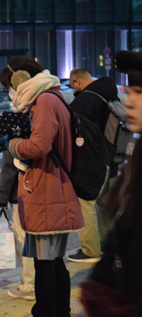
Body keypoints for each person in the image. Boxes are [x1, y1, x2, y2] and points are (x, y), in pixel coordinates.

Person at [0, 56, 84, 316]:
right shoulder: (52, 97)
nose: (11, 90)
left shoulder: (45, 100)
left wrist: (12, 145)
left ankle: (47, 312)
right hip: (49, 188)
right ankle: (61, 311)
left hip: (48, 190)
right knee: (53, 262)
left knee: (45, 265)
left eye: (10, 85)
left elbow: (39, 146)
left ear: (21, 79)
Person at [81, 50, 142, 316]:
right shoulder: (138, 152)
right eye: (129, 92)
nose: (128, 102)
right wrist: (99, 281)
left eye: (138, 93)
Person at [67, 69, 119, 262]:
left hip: (92, 161)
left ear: (76, 80)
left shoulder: (85, 100)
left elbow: (72, 133)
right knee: (105, 204)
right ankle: (109, 245)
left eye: (72, 85)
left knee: (85, 203)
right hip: (113, 159)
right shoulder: (110, 94)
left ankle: (90, 250)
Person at [0, 74, 35, 301]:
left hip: (22, 191)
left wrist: (2, 197)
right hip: (43, 186)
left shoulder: (14, 118)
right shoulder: (42, 110)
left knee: (25, 239)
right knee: (41, 239)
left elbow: (8, 166)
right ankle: (44, 281)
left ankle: (29, 286)